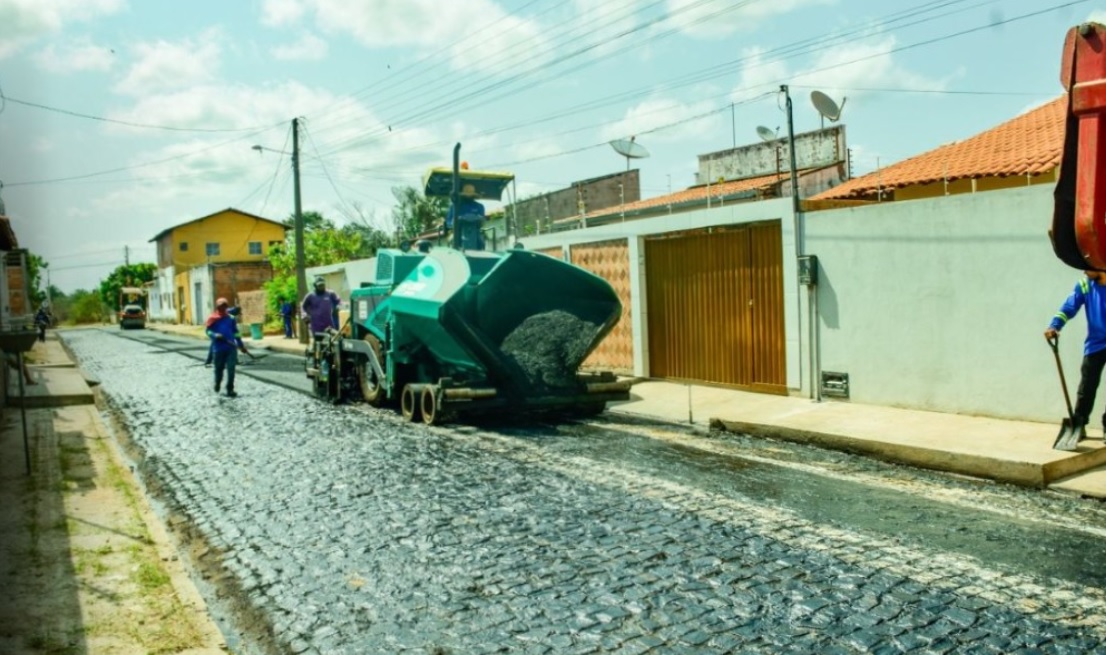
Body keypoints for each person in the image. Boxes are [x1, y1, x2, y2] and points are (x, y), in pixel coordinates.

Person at [1045, 270, 1106, 432]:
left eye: (1087, 266)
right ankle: (1078, 425)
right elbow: (1069, 307)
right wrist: (1055, 325)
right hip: (1096, 344)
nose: (1084, 270)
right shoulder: (1085, 284)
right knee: (1087, 386)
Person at [205, 298, 245, 397]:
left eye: (224, 306)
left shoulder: (231, 318)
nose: (222, 308)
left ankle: (230, 389)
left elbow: (236, 333)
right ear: (217, 307)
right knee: (219, 370)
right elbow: (208, 331)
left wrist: (240, 345)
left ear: (226, 307)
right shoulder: (212, 318)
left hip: (231, 348)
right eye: (220, 306)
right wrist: (215, 335)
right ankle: (218, 383)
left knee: (231, 369)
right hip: (218, 349)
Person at [445, 183, 486, 250]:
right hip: (457, 232)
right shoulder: (454, 206)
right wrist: (454, 222)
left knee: (481, 242)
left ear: (473, 195)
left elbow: (482, 221)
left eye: (470, 195)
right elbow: (448, 222)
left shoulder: (479, 206)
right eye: (467, 195)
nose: (468, 197)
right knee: (452, 240)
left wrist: (479, 220)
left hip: (475, 232)